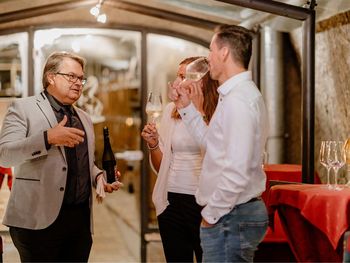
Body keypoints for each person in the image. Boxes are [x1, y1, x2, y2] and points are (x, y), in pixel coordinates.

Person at [0, 51, 120, 262]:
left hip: (79, 222)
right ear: (51, 77)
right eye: (71, 76)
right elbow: (5, 155)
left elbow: (85, 161)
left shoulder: (84, 117)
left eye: (81, 78)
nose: (78, 83)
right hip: (37, 220)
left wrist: (98, 177)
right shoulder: (23, 108)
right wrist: (47, 138)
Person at [174, 25, 269, 262]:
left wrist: (211, 214)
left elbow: (237, 170)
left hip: (230, 216)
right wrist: (187, 108)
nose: (208, 57)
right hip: (230, 214)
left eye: (211, 50)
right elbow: (212, 144)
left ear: (224, 52)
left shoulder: (239, 101)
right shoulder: (235, 95)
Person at [141, 56, 218, 262]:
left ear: (201, 80)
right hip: (171, 201)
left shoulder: (217, 112)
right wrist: (154, 144)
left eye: (184, 77)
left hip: (204, 202)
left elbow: (219, 156)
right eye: (178, 76)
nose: (177, 82)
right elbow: (161, 167)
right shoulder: (170, 111)